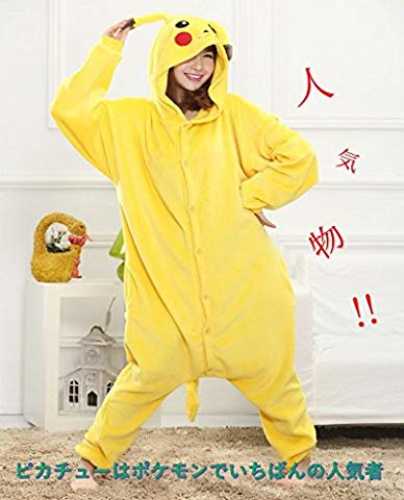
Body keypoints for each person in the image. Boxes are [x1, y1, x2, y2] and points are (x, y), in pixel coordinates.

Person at [50, 13, 319, 491]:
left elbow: (301, 160)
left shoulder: (236, 117)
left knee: (272, 374)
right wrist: (108, 50)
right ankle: (92, 458)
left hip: (242, 284)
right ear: (164, 58)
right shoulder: (127, 124)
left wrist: (250, 195)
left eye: (208, 56)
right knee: (145, 375)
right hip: (166, 294)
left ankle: (300, 456)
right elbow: (70, 109)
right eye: (187, 53)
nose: (198, 65)